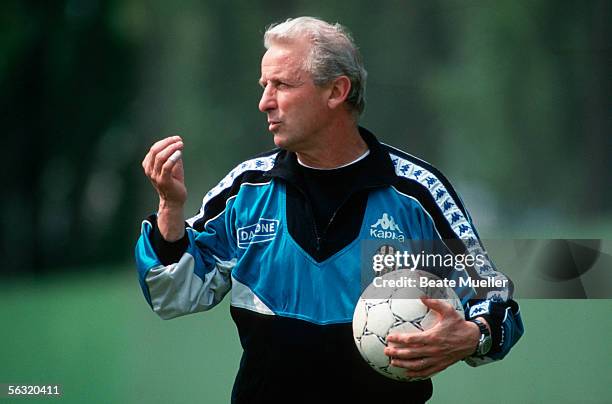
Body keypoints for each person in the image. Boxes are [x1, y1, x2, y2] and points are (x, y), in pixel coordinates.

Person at [135, 16, 523, 403]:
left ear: (336, 91)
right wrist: (170, 207)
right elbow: (173, 294)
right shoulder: (245, 192)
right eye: (264, 85)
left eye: (282, 85)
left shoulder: (416, 194)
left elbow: (495, 299)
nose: (264, 102)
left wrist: (475, 336)